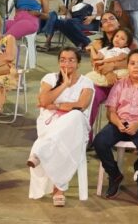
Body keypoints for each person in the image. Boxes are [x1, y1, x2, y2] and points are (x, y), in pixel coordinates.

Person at [94, 50, 138, 206]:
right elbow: (111, 111)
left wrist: (136, 125)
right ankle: (114, 175)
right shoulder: (120, 84)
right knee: (99, 141)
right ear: (128, 66)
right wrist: (118, 122)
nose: (136, 67)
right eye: (132, 63)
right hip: (120, 122)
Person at [28, 47, 94, 206]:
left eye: (71, 60)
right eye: (63, 60)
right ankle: (59, 189)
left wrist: (56, 106)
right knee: (63, 133)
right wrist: (64, 84)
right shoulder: (50, 78)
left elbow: (81, 105)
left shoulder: (86, 82)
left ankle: (40, 152)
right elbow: (44, 101)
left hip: (76, 127)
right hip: (50, 122)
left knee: (75, 116)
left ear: (78, 63)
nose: (67, 64)